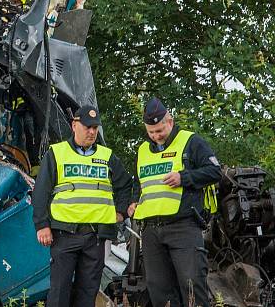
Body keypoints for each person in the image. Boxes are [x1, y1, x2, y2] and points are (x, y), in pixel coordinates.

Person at [31, 105, 132, 307]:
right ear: (74, 125)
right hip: (64, 235)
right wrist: (42, 225)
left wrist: (120, 212)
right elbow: (41, 191)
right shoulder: (57, 153)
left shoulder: (106, 156)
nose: (92, 132)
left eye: (95, 127)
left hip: (96, 237)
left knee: (88, 293)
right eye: (88, 127)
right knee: (59, 291)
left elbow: (125, 184)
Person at [127, 97, 221, 307]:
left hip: (183, 226)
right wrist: (134, 201)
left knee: (191, 285)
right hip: (150, 230)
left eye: (159, 130)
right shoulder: (143, 150)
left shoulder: (191, 141)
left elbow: (215, 171)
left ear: (170, 121)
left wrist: (184, 177)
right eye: (151, 132)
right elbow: (139, 182)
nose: (156, 136)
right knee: (159, 288)